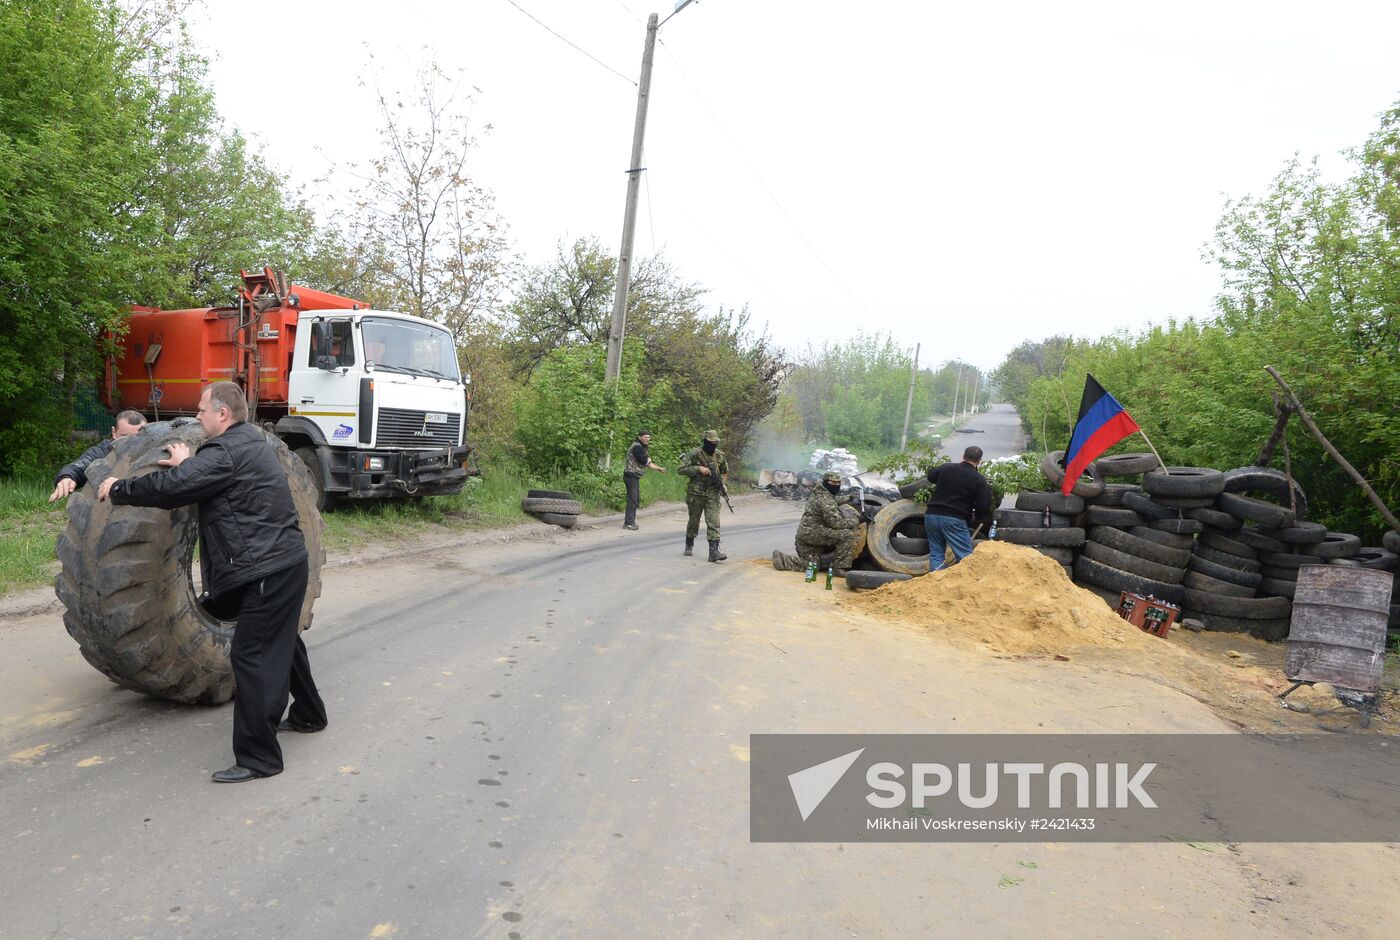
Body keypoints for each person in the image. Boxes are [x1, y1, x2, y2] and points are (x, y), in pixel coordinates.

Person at [97, 381, 326, 783]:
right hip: (287, 563)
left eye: (203, 409)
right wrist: (190, 465)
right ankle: (310, 715)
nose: (197, 415)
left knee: (251, 656)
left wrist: (120, 488)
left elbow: (174, 488)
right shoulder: (249, 442)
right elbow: (210, 479)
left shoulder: (226, 451)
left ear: (223, 414)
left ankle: (260, 759)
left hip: (266, 571)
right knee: (284, 638)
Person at [48, 410, 147, 502]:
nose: (132, 443)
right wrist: (66, 477)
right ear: (114, 433)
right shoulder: (103, 452)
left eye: (138, 437)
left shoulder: (157, 451)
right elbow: (80, 465)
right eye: (125, 437)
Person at [924, 445, 994, 571]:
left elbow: (930, 476)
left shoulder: (946, 467)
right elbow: (983, 504)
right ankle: (967, 585)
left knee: (936, 554)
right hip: (954, 520)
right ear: (979, 461)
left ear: (963, 456)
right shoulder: (979, 479)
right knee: (965, 557)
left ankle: (938, 584)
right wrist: (977, 517)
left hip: (932, 516)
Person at [785, 471, 863, 574]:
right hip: (813, 533)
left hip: (805, 533)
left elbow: (832, 502)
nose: (836, 485)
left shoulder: (820, 492)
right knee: (846, 535)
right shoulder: (825, 498)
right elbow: (836, 523)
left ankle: (782, 560)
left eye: (838, 483)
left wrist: (849, 498)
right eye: (832, 483)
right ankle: (839, 568)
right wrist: (858, 520)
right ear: (826, 482)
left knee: (814, 566)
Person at [677, 429, 729, 562]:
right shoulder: (695, 454)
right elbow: (681, 469)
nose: (713, 445)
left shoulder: (719, 456)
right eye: (710, 442)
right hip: (696, 493)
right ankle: (689, 542)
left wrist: (722, 484)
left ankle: (714, 551)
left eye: (715, 443)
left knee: (714, 521)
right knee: (694, 521)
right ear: (705, 442)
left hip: (713, 493)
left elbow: (724, 471)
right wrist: (698, 469)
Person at [622, 429, 666, 530]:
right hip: (630, 476)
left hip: (634, 476)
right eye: (646, 437)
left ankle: (631, 521)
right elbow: (644, 460)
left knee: (635, 500)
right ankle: (628, 523)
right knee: (632, 500)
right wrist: (648, 459)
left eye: (649, 437)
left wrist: (659, 468)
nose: (648, 439)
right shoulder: (637, 447)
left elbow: (647, 462)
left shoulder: (641, 447)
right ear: (639, 437)